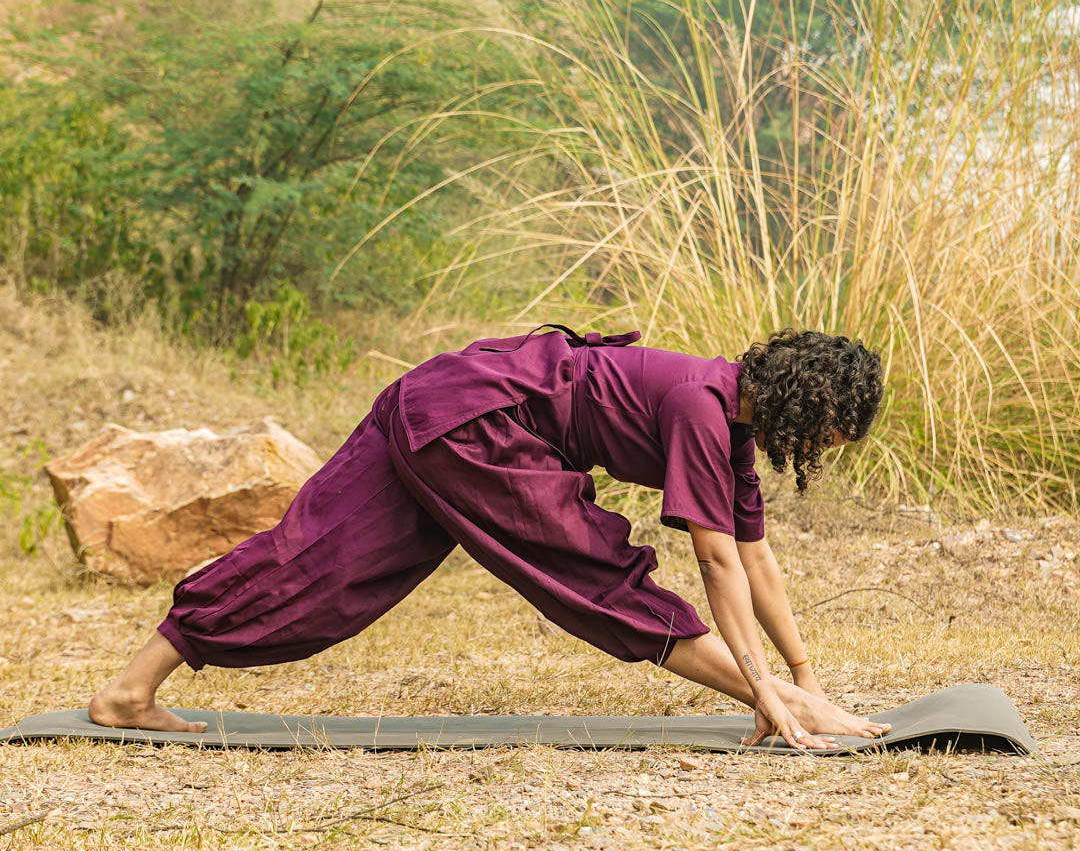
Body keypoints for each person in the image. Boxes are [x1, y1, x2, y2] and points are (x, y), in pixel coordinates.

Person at [89, 323, 891, 750]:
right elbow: (716, 564)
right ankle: (133, 690)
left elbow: (757, 560)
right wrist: (769, 696)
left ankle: (127, 693)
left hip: (436, 399)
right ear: (809, 405)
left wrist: (803, 677)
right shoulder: (698, 408)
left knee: (325, 564)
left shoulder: (729, 422)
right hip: (480, 425)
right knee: (601, 580)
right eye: (833, 432)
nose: (826, 448)